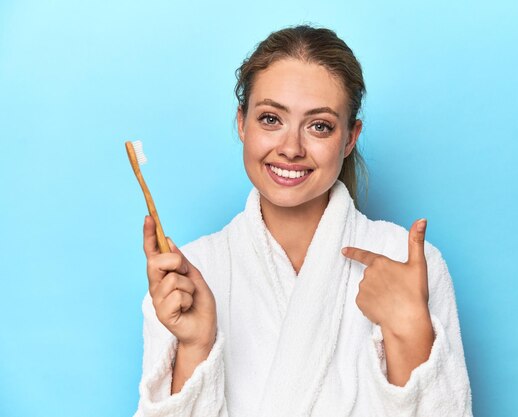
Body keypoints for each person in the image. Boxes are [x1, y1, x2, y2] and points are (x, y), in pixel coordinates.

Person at [134, 25, 472, 417]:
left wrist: (411, 332)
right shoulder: (189, 278)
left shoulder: (410, 264)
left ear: (349, 137)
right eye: (270, 119)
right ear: (242, 123)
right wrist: (194, 347)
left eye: (319, 126)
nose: (291, 148)